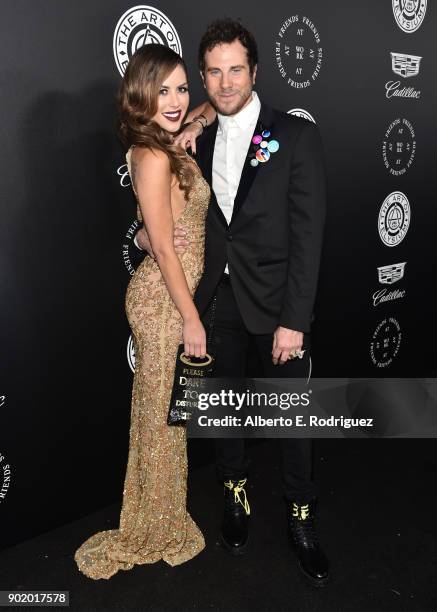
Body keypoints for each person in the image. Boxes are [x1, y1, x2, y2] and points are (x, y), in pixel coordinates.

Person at [134, 19, 330, 586]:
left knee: (293, 420)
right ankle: (235, 494)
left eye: (235, 69)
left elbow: (309, 235)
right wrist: (145, 237)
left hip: (277, 310)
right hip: (215, 302)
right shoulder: (194, 137)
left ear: (255, 72)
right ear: (202, 78)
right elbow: (160, 208)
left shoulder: (294, 136)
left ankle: (301, 514)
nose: (224, 82)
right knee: (221, 413)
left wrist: (295, 319)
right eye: (213, 72)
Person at [74, 44, 215, 580]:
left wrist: (192, 123)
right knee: (162, 417)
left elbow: (205, 108)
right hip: (163, 302)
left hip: (169, 295)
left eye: (181, 87)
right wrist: (191, 318)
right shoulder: (152, 154)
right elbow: (161, 243)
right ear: (140, 93)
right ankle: (152, 524)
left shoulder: (162, 142)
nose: (178, 100)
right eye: (164, 90)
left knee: (165, 417)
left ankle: (160, 513)